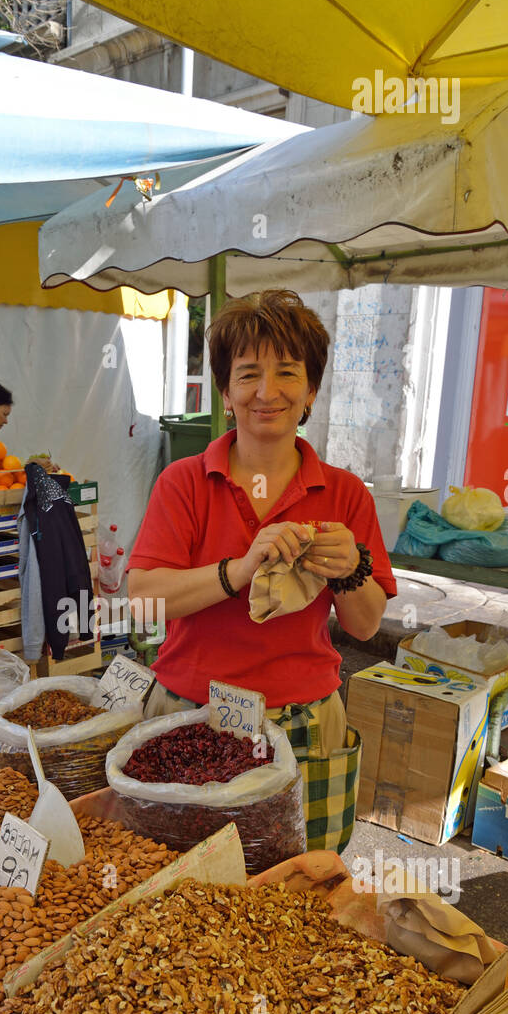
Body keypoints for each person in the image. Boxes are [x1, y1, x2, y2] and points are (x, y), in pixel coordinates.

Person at [127, 289, 397, 852]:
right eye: (248, 374)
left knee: (299, 890)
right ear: (225, 391)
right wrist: (242, 568)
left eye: (288, 374)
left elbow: (367, 627)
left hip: (304, 723)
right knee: (178, 888)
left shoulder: (345, 494)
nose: (267, 393)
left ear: (311, 392)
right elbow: (143, 600)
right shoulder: (183, 482)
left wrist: (350, 570)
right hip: (189, 716)